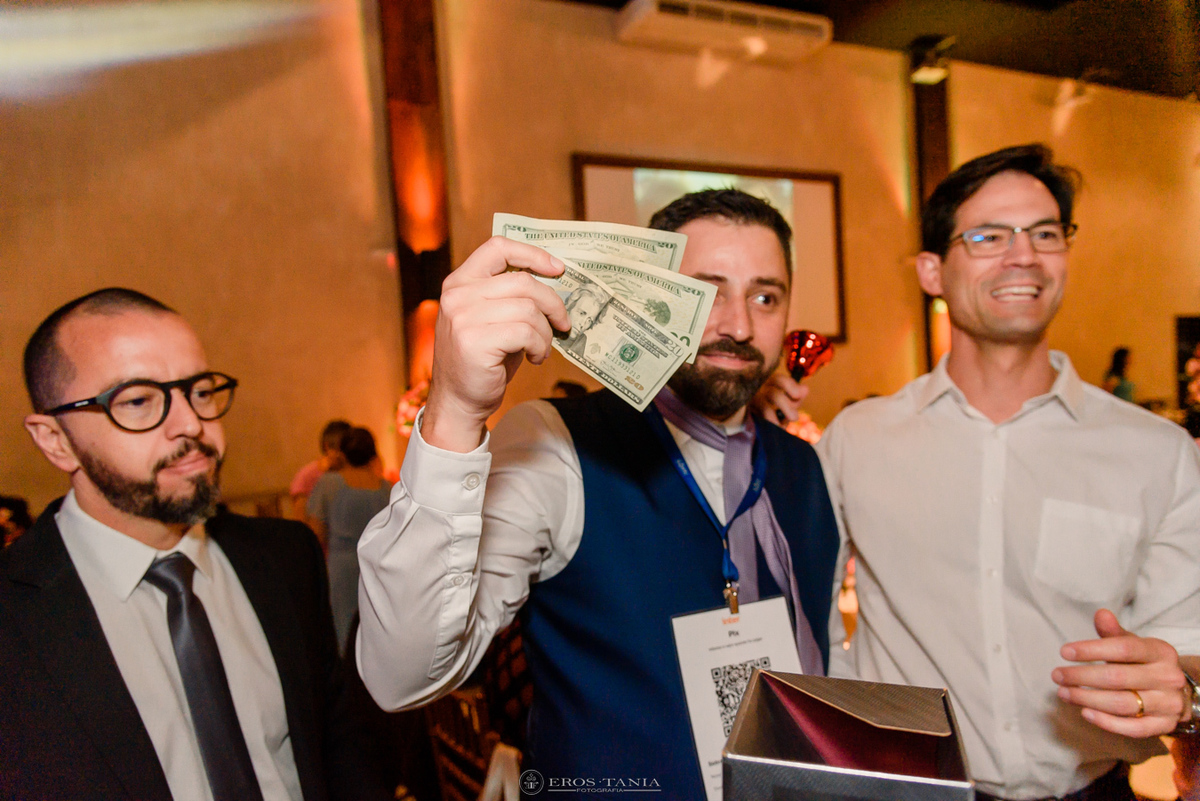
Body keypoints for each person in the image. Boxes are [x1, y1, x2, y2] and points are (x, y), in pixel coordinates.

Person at [357, 189, 840, 797]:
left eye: (764, 297)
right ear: (650, 296)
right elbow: (402, 676)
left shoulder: (803, 465)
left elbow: (827, 656)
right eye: (707, 291)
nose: (738, 326)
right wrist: (453, 411)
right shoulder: (554, 444)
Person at [763, 144, 1200, 801]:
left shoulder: (1155, 451)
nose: (1024, 255)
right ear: (932, 271)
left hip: (1094, 790)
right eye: (989, 236)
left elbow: (1186, 639)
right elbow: (801, 613)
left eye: (1045, 233)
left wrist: (1184, 689)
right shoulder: (859, 440)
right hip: (908, 791)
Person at [2, 288, 391, 801]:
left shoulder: (285, 559)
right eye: (137, 401)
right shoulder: (15, 620)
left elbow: (341, 749)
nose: (192, 425)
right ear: (56, 440)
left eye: (200, 392)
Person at [307, 426, 393, 653]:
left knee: (344, 633)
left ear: (342, 453)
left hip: (342, 569)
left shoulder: (329, 483)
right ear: (373, 454)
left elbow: (315, 534)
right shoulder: (386, 488)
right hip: (378, 568)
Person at [289, 419, 351, 525]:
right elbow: (301, 521)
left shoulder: (350, 473)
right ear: (327, 446)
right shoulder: (306, 476)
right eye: (341, 449)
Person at [559, 284, 608, 360]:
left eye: (589, 320)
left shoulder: (581, 341)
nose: (582, 324)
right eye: (581, 313)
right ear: (570, 307)